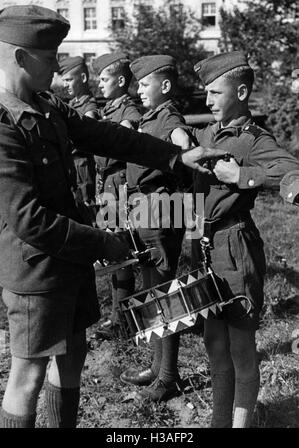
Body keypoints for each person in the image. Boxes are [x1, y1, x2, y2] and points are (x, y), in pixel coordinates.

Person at [0, 5, 225, 428]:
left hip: (69, 260)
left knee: (72, 356)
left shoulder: (47, 104)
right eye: (50, 59)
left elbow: (107, 136)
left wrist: (177, 157)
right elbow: (27, 218)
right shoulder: (4, 122)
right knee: (27, 375)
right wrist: (102, 242)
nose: (57, 69)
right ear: (20, 58)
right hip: (35, 270)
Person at [190, 51, 299, 428]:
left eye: (215, 93)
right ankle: (221, 421)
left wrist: (242, 176)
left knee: (240, 348)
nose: (207, 100)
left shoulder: (254, 139)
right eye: (206, 93)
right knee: (214, 344)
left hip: (235, 247)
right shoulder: (208, 133)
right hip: (206, 248)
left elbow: (292, 172)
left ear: (239, 92)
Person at [119, 55, 192, 402]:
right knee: (152, 294)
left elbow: (184, 145)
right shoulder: (151, 117)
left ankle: (168, 375)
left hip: (162, 211)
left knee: (164, 294)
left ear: (164, 87)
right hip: (144, 209)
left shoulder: (169, 117)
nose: (138, 90)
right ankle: (156, 364)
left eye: (144, 84)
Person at [93, 52, 141, 330]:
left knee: (122, 255)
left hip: (121, 189)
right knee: (114, 254)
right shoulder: (110, 110)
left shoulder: (128, 112)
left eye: (104, 78)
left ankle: (123, 320)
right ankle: (117, 317)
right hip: (108, 187)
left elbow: (121, 146)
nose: (100, 84)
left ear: (121, 80)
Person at [59, 56, 97, 219]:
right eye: (64, 80)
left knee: (87, 210)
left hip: (82, 167)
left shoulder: (89, 106)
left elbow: (89, 133)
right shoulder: (71, 105)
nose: (64, 85)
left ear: (82, 78)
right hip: (71, 166)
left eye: (68, 80)